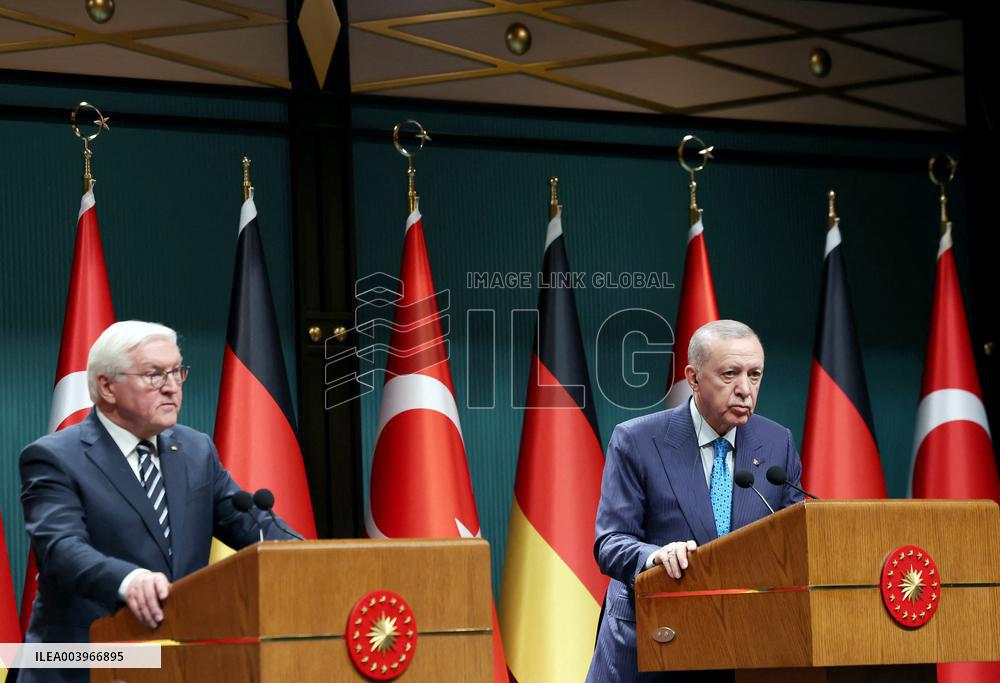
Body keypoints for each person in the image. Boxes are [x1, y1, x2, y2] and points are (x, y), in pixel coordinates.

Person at [18, 321, 298, 683]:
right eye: (154, 375)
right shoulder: (54, 457)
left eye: (176, 371)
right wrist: (128, 580)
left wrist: (308, 559)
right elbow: (61, 549)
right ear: (107, 387)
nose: (171, 386)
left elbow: (249, 524)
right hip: (85, 665)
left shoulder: (196, 450)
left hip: (178, 666)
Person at [586, 320, 804, 683]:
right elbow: (610, 543)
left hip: (743, 651)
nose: (745, 389)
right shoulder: (636, 441)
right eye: (730, 374)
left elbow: (796, 535)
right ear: (694, 378)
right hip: (650, 646)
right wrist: (654, 557)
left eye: (754, 375)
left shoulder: (776, 442)